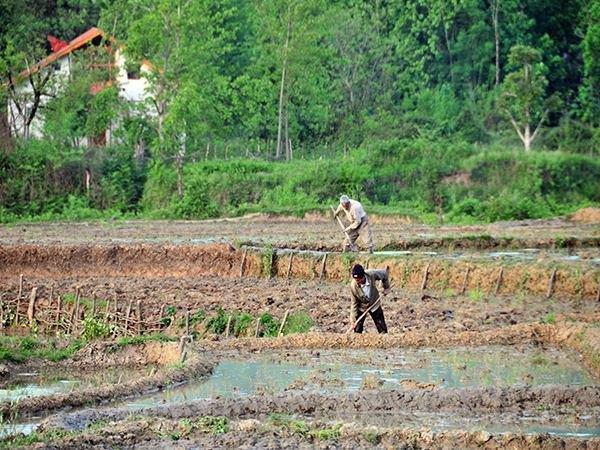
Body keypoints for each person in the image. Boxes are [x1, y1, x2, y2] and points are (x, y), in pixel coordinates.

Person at [349, 263, 390, 334]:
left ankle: (384, 339)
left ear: (363, 276)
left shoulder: (371, 274)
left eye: (359, 280)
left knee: (382, 328)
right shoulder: (353, 286)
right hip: (361, 306)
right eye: (355, 279)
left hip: (374, 303)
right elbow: (354, 303)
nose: (357, 282)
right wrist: (353, 319)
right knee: (357, 329)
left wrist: (386, 287)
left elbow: (384, 274)